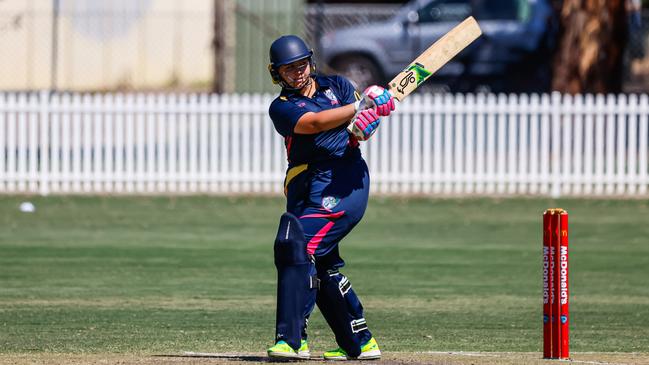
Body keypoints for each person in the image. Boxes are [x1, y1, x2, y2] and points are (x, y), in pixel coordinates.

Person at [265, 34, 395, 361]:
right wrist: (360, 106)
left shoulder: (336, 85)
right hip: (305, 185)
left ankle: (292, 341)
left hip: (343, 180)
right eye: (288, 68)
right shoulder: (282, 107)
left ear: (309, 61)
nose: (297, 72)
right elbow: (315, 123)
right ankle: (359, 342)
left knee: (296, 245)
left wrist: (368, 122)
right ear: (276, 72)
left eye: (301, 64)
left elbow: (358, 126)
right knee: (322, 266)